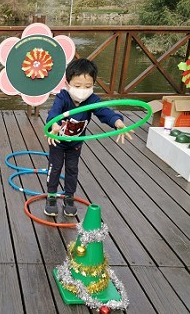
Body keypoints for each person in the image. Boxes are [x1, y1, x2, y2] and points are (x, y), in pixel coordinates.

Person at [44, 58, 133, 217]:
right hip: (57, 141)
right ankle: (51, 196)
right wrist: (54, 125)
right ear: (67, 84)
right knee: (55, 167)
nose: (82, 90)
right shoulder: (62, 97)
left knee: (72, 169)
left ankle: (69, 197)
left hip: (75, 144)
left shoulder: (92, 100)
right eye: (78, 86)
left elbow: (105, 112)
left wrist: (117, 122)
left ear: (93, 85)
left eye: (88, 86)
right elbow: (54, 112)